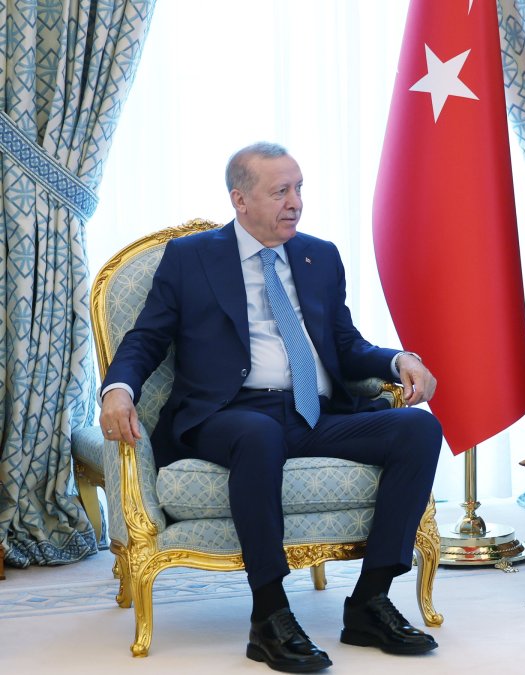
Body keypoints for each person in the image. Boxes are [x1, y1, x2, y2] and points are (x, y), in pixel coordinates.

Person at [100, 142, 443, 673]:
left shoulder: (319, 255)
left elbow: (345, 344)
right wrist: (118, 389)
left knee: (417, 429)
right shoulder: (191, 259)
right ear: (240, 199)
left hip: (313, 413)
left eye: (299, 188)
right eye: (280, 191)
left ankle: (370, 602)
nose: (295, 202)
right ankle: (269, 615)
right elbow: (145, 339)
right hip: (227, 414)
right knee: (259, 435)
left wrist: (399, 358)